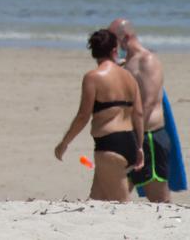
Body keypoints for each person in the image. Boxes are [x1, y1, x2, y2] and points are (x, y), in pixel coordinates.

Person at [55, 29, 145, 202]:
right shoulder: (129, 77)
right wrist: (140, 147)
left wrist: (64, 143)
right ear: (114, 50)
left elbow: (83, 116)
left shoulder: (93, 77)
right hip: (130, 142)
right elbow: (138, 114)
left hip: (109, 146)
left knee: (122, 205)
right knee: (96, 201)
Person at [110, 18, 172, 202]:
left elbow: (148, 103)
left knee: (159, 201)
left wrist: (134, 140)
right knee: (114, 194)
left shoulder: (148, 60)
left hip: (148, 137)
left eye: (113, 39)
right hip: (130, 135)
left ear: (126, 37)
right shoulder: (124, 63)